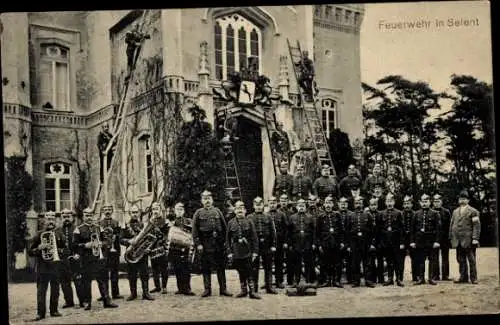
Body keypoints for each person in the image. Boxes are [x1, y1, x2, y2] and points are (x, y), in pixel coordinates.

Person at [72, 208, 118, 310]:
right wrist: (85, 245)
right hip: (86, 259)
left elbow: (106, 241)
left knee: (103, 280)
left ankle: (107, 301)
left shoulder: (99, 227)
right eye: (86, 215)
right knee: (86, 281)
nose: (89, 217)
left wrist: (102, 244)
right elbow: (74, 245)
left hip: (98, 259)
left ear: (93, 216)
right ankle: (87, 302)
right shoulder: (78, 229)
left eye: (90, 215)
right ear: (83, 216)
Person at [192, 190, 232, 297]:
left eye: (209, 198)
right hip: (205, 244)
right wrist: (198, 244)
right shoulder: (198, 213)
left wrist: (225, 242)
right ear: (201, 201)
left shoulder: (218, 212)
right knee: (206, 267)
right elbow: (195, 232)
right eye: (205, 199)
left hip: (218, 244)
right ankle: (207, 289)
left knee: (221, 267)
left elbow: (225, 229)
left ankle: (223, 289)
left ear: (212, 200)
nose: (207, 201)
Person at [28, 211, 64, 321]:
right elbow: (30, 251)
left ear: (56, 220)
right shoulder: (39, 234)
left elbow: (66, 250)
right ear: (44, 220)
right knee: (41, 291)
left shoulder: (59, 234)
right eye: (48, 218)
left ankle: (54, 310)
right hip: (43, 267)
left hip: (55, 266)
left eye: (53, 218)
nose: (51, 220)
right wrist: (39, 248)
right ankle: (40, 313)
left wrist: (57, 250)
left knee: (55, 289)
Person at [226, 201, 261, 299]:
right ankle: (243, 290)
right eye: (237, 208)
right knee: (240, 271)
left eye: (241, 208)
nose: (239, 210)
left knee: (249, 271)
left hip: (248, 252)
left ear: (245, 210)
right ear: (234, 210)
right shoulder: (230, 223)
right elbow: (227, 239)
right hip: (236, 252)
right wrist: (229, 252)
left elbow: (254, 238)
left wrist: (255, 252)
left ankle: (252, 292)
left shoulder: (249, 222)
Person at [120, 205, 154, 301]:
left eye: (136, 212)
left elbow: (149, 238)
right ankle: (133, 294)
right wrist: (129, 241)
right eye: (133, 212)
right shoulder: (125, 226)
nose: (135, 214)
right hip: (131, 254)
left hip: (142, 254)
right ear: (130, 213)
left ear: (139, 213)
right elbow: (120, 239)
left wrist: (147, 249)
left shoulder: (143, 225)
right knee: (132, 274)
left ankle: (146, 293)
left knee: (145, 273)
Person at [449, 190, 481, 284]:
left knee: (471, 259)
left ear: (468, 200)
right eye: (460, 199)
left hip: (469, 240)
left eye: (464, 199)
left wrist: (475, 238)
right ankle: (463, 277)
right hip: (457, 240)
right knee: (460, 259)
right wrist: (451, 236)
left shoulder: (473, 211)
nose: (462, 201)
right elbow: (452, 224)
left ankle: (473, 278)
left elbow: (477, 226)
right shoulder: (455, 212)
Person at [248, 197, 278, 294]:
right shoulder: (249, 217)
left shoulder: (268, 217)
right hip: (255, 247)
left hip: (267, 245)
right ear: (253, 206)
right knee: (254, 267)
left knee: (268, 266)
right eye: (256, 205)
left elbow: (273, 232)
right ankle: (254, 288)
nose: (258, 207)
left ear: (263, 205)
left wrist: (273, 244)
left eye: (260, 205)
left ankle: (269, 287)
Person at [410, 194, 441, 285]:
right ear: (420, 203)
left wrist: (437, 241)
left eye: (426, 202)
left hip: (431, 241)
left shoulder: (435, 213)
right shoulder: (416, 214)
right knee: (420, 260)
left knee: (432, 260)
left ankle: (431, 278)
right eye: (422, 202)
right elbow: (413, 229)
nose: (424, 204)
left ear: (429, 202)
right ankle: (421, 278)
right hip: (419, 241)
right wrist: (412, 241)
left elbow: (439, 229)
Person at [57, 209, 84, 309]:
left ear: (72, 218)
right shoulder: (57, 230)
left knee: (78, 281)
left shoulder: (77, 229)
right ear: (61, 218)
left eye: (68, 217)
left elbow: (81, 244)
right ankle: (69, 302)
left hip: (75, 258)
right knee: (64, 281)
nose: (66, 219)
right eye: (64, 217)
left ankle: (82, 301)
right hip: (62, 260)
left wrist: (78, 254)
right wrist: (60, 252)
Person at [317, 196, 345, 288]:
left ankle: (336, 280)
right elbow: (317, 232)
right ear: (324, 204)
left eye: (330, 203)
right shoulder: (320, 216)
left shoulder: (337, 215)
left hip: (336, 242)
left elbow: (341, 230)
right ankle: (326, 280)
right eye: (326, 203)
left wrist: (341, 242)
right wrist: (320, 245)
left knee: (337, 262)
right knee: (325, 262)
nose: (328, 205)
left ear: (333, 204)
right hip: (325, 243)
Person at [348, 196, 376, 288]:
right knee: (355, 262)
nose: (358, 204)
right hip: (354, 243)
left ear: (363, 204)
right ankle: (356, 281)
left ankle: (368, 280)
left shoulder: (368, 215)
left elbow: (372, 231)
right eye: (356, 203)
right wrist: (349, 244)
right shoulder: (350, 216)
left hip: (365, 242)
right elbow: (347, 231)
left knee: (367, 263)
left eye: (359, 203)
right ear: (354, 204)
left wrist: (372, 243)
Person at [377, 194, 405, 287]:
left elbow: (402, 229)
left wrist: (401, 242)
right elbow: (379, 229)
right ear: (385, 202)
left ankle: (398, 279)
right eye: (388, 201)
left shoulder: (399, 213)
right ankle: (389, 278)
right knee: (389, 261)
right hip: (386, 241)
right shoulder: (381, 214)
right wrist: (381, 242)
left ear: (394, 202)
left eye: (391, 201)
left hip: (396, 241)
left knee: (397, 261)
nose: (389, 203)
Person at [287, 199, 317, 284]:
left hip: (308, 243)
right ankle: (297, 280)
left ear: (305, 207)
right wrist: (290, 244)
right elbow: (289, 232)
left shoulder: (310, 217)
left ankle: (308, 280)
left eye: (303, 206)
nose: (301, 207)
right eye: (299, 206)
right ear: (296, 207)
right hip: (296, 243)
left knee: (308, 262)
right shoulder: (292, 217)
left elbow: (314, 231)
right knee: (297, 263)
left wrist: (314, 243)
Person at [171, 202, 196, 295]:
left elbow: (192, 232)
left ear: (184, 211)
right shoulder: (172, 222)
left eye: (181, 209)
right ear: (175, 211)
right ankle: (180, 288)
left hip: (185, 248)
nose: (179, 211)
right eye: (177, 209)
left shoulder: (189, 221)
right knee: (177, 268)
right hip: (175, 248)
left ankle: (187, 288)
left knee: (186, 268)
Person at [99, 205, 122, 300]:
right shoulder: (99, 223)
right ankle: (104, 294)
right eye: (105, 210)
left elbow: (120, 235)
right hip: (104, 251)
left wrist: (115, 237)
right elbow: (99, 237)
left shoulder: (116, 222)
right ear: (103, 211)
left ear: (112, 211)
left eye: (109, 209)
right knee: (103, 273)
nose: (107, 211)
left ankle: (115, 293)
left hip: (114, 250)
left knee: (114, 272)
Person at [149, 202, 170, 294]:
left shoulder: (164, 221)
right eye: (153, 209)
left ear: (160, 210)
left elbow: (168, 234)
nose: (155, 211)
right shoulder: (150, 221)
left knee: (164, 268)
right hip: (152, 247)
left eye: (156, 209)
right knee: (154, 268)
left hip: (162, 247)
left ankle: (164, 287)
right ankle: (157, 286)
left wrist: (163, 240)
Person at [267, 196, 288, 289]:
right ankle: (268, 282)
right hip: (268, 243)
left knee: (279, 262)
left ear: (277, 204)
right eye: (271, 203)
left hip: (279, 242)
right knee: (268, 263)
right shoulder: (265, 215)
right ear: (268, 204)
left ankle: (279, 281)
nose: (272, 205)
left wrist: (285, 242)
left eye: (274, 203)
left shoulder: (281, 215)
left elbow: (286, 229)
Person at [431, 194, 452, 281]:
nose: (436, 203)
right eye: (435, 201)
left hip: (444, 238)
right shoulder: (430, 211)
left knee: (445, 257)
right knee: (434, 257)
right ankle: (435, 275)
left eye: (438, 201)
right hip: (434, 238)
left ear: (441, 202)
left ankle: (445, 275)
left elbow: (449, 225)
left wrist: (449, 237)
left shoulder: (446, 212)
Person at [401, 195, 418, 282]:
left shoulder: (416, 214)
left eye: (408, 203)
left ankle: (416, 277)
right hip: (403, 239)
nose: (407, 205)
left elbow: (416, 229)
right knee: (400, 259)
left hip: (413, 239)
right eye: (405, 203)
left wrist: (414, 241)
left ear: (411, 204)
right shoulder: (400, 214)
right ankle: (400, 277)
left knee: (415, 258)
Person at [337, 197, 353, 285]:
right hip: (338, 242)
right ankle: (338, 279)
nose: (343, 205)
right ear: (338, 204)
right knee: (338, 261)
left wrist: (348, 244)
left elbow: (352, 230)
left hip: (348, 241)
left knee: (349, 261)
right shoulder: (335, 214)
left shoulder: (351, 214)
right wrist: (340, 242)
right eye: (341, 203)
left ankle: (350, 279)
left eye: (345, 204)